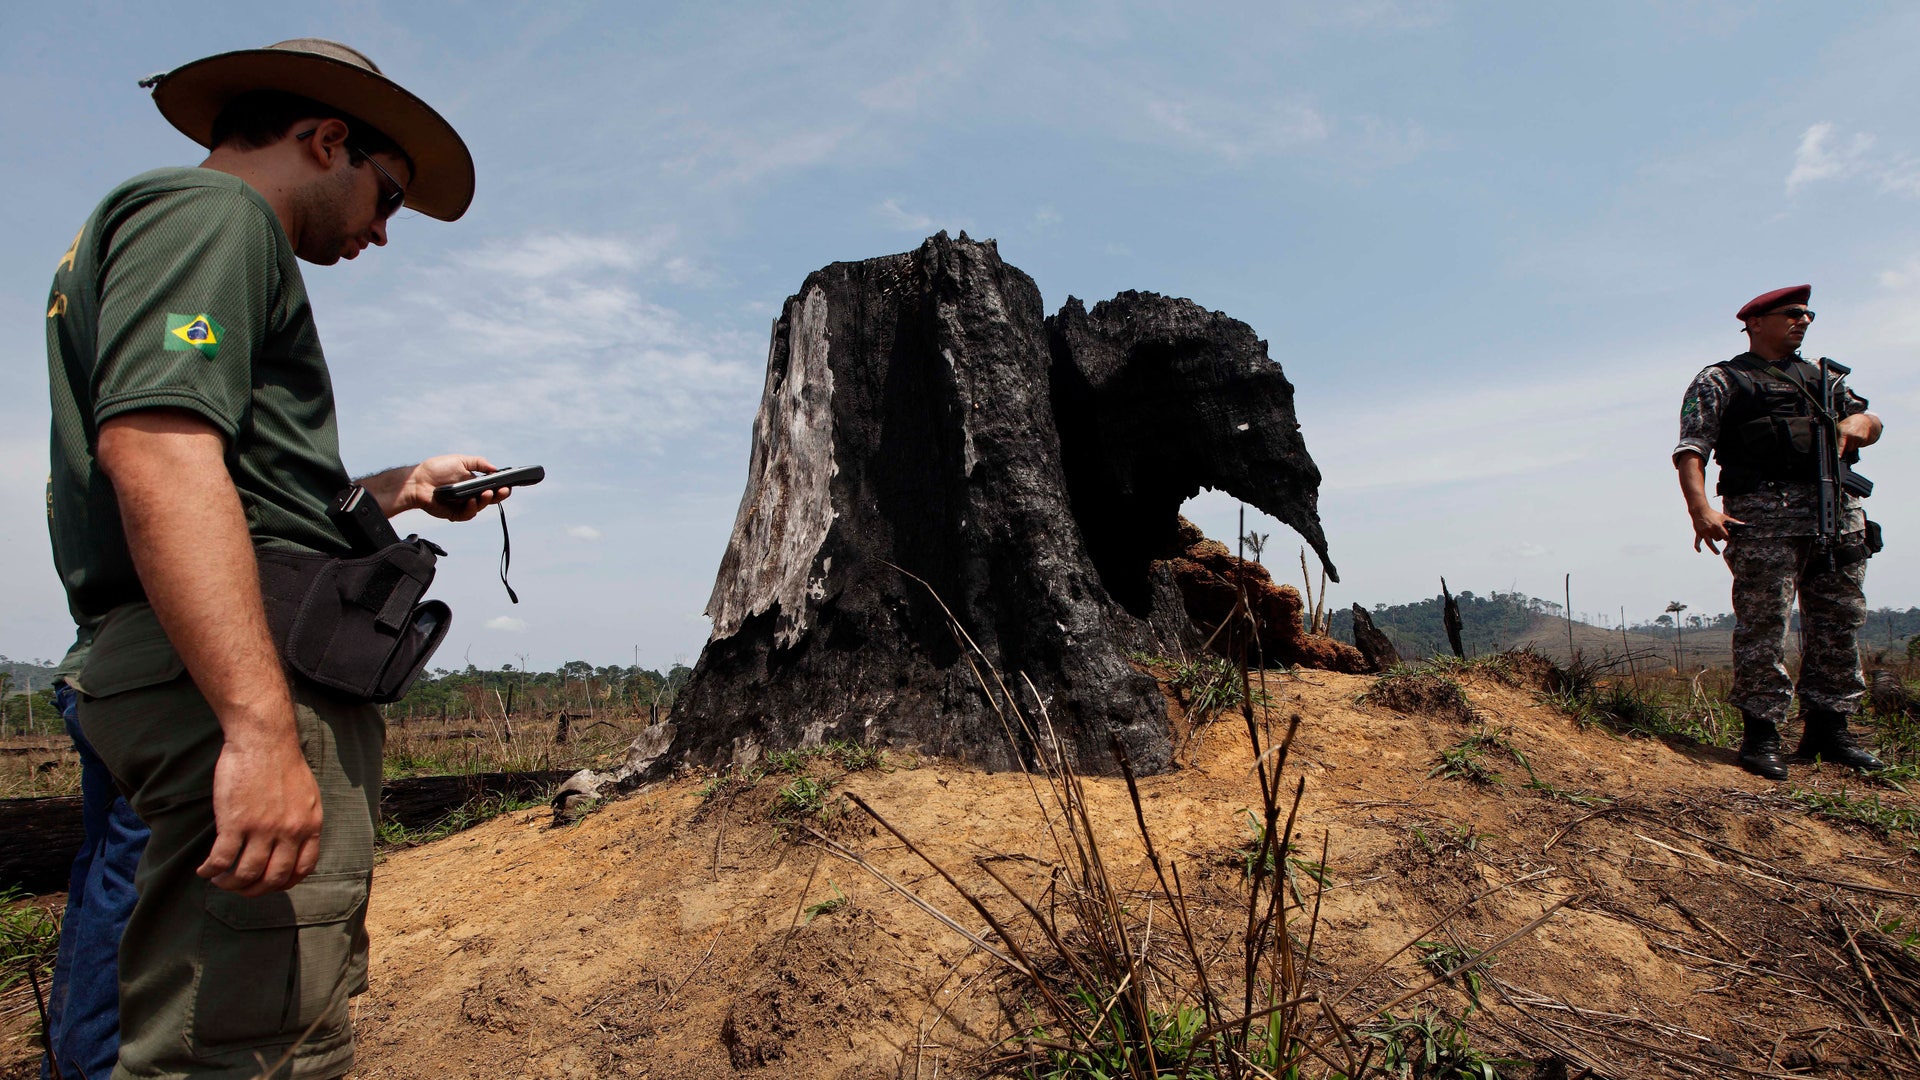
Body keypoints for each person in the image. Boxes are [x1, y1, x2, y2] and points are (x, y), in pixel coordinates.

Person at [45, 39, 506, 1079]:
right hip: (220, 677)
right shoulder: (213, 216)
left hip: (163, 664)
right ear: (326, 139)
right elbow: (160, 450)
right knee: (247, 1027)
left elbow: (240, 476)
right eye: (386, 196)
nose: (382, 232)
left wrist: (402, 487)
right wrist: (257, 731)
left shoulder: (149, 234)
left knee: (131, 987)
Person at [1673, 284, 1885, 780]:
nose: (1804, 321)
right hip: (1764, 519)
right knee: (1764, 627)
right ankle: (1762, 733)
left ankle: (1829, 730)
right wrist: (1701, 508)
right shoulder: (1723, 379)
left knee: (1839, 623)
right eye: (1792, 313)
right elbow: (1691, 448)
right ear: (1756, 322)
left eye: (1809, 314)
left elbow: (1871, 420)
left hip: (1836, 518)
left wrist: (1858, 425)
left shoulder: (1825, 379)